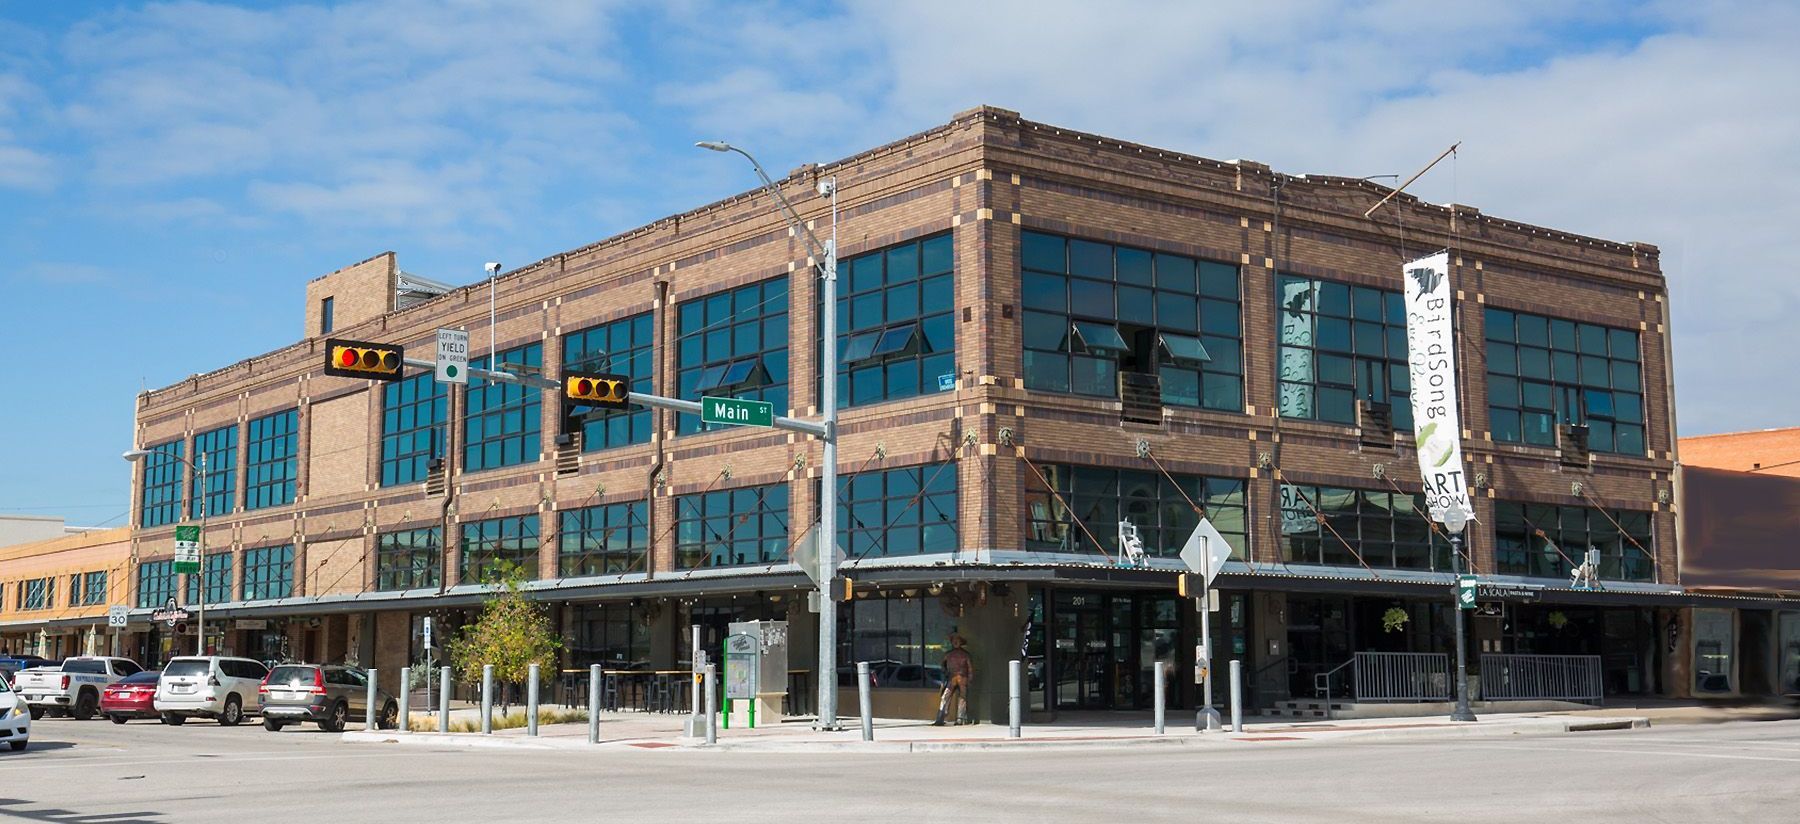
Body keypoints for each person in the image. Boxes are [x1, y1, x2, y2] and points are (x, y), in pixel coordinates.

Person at [933, 633, 975, 726]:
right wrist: (945, 673)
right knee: (945, 696)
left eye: (957, 640)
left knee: (962, 697)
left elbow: (970, 668)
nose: (955, 642)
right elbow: (942, 666)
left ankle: (960, 718)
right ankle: (941, 717)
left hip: (962, 677)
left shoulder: (965, 655)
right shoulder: (948, 654)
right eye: (954, 641)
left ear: (961, 642)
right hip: (952, 678)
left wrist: (970, 679)